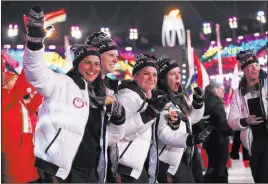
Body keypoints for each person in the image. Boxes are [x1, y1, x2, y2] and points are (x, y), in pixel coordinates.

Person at [23, 7, 126, 183]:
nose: (93, 69)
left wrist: (119, 119)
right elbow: (35, 72)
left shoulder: (103, 94)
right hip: (61, 170)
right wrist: (35, 42)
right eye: (87, 63)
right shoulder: (62, 84)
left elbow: (107, 137)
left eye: (96, 64)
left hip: (92, 171)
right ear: (77, 65)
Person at [109, 53, 171, 183]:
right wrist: (150, 113)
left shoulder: (142, 97)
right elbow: (122, 130)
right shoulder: (127, 96)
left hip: (135, 168)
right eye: (146, 73)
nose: (151, 78)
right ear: (135, 75)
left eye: (154, 75)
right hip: (124, 169)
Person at [154, 55, 211, 183]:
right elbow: (164, 134)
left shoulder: (179, 98)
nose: (178, 77)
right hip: (170, 163)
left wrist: (198, 103)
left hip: (184, 157)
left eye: (178, 73)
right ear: (162, 78)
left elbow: (190, 119)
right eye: (172, 74)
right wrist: (190, 139)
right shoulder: (161, 100)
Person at [228, 50, 268, 183]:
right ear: (244, 70)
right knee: (259, 179)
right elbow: (231, 121)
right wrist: (246, 120)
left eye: (256, 65)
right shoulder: (239, 93)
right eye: (250, 66)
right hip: (253, 145)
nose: (255, 68)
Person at [2, 69, 43, 183]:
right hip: (13, 148)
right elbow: (20, 87)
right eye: (13, 80)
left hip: (25, 145)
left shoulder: (17, 101)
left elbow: (31, 107)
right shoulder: (5, 98)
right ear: (4, 85)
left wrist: (41, 92)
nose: (16, 82)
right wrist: (29, 66)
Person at [202, 80, 233, 183]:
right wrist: (232, 130)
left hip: (209, 141)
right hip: (220, 141)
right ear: (215, 89)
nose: (223, 92)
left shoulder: (205, 102)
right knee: (220, 169)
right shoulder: (217, 103)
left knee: (212, 166)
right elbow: (222, 123)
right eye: (221, 90)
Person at [84, 32, 120, 96]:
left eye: (117, 56)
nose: (115, 60)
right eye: (111, 55)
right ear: (97, 57)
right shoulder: (81, 84)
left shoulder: (113, 84)